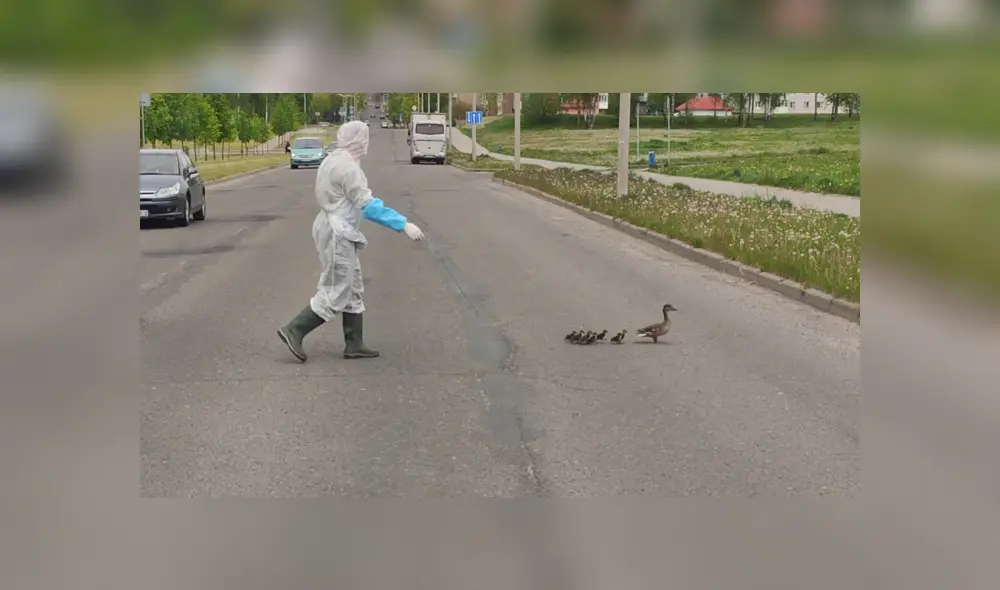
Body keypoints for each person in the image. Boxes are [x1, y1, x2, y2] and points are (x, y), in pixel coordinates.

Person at [277, 121, 425, 362]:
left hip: (332, 227)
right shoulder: (348, 169)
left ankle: (354, 343)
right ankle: (295, 329)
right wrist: (403, 224)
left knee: (353, 285)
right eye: (365, 138)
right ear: (358, 141)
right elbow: (368, 206)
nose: (367, 143)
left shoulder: (332, 159)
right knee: (337, 289)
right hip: (338, 232)